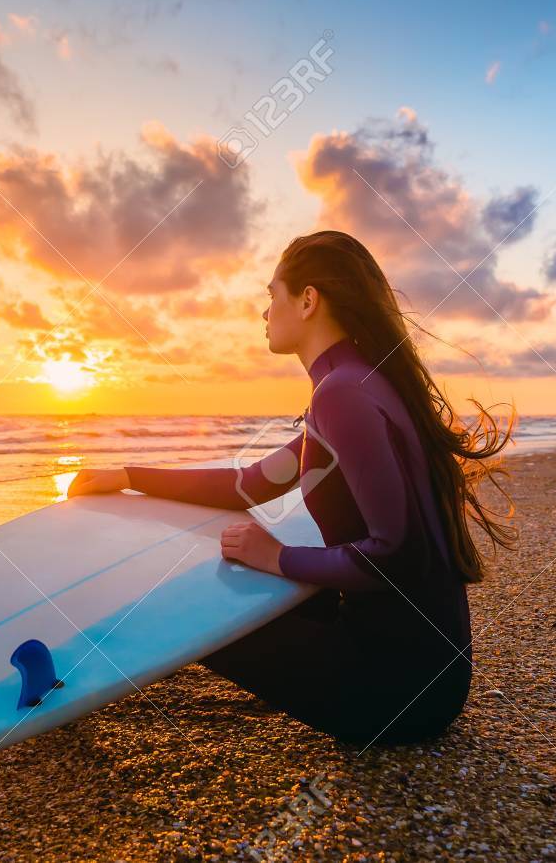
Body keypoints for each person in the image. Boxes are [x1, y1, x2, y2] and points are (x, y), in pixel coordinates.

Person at [67, 230, 515, 745]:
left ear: (307, 300)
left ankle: (74, 670)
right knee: (234, 578)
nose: (264, 312)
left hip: (395, 693)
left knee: (201, 607)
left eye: (270, 295)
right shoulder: (357, 382)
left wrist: (276, 556)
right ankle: (109, 652)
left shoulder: (341, 393)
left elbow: (395, 556)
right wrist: (130, 476)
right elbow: (252, 484)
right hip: (432, 679)